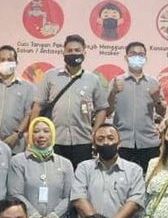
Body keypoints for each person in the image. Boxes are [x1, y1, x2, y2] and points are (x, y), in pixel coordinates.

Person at [72, 124, 146, 218]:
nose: (106, 142)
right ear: (94, 145)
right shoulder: (84, 168)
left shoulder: (134, 170)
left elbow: (134, 203)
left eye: (110, 138)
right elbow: (79, 199)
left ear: (119, 143)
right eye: (100, 139)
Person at [30, 34, 110, 170]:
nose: (73, 53)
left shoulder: (93, 79)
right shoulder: (50, 76)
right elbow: (38, 106)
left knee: (81, 178)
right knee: (54, 177)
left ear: (84, 53)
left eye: (77, 50)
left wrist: (95, 132)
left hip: (83, 141)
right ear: (63, 53)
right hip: (54, 140)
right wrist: (33, 132)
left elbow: (102, 109)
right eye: (70, 50)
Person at [7, 116, 75, 218]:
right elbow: (15, 194)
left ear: (53, 135)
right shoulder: (18, 161)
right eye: (36, 131)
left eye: (46, 131)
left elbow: (70, 196)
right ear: (30, 135)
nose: (41, 135)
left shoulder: (65, 164)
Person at [108, 41, 166, 168]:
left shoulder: (153, 82)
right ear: (126, 57)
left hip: (149, 142)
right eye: (133, 54)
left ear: (145, 58)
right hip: (122, 142)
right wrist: (113, 93)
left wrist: (157, 100)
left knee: (149, 177)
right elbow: (108, 111)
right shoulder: (116, 82)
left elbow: (162, 112)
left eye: (141, 55)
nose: (137, 57)